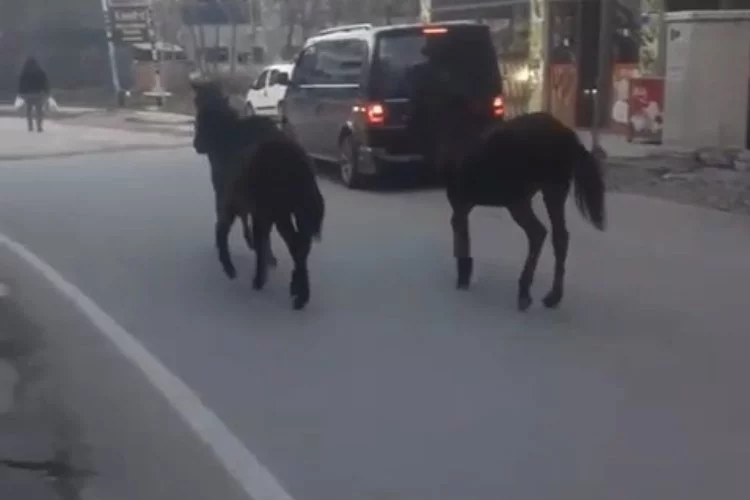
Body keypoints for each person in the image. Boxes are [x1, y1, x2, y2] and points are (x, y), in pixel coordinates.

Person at [17, 57, 50, 133]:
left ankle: (30, 126)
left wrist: (20, 93)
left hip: (28, 94)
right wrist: (46, 91)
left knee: (29, 110)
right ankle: (39, 126)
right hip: (38, 94)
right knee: (39, 110)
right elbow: (45, 82)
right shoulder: (40, 71)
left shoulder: (24, 72)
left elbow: (21, 83)